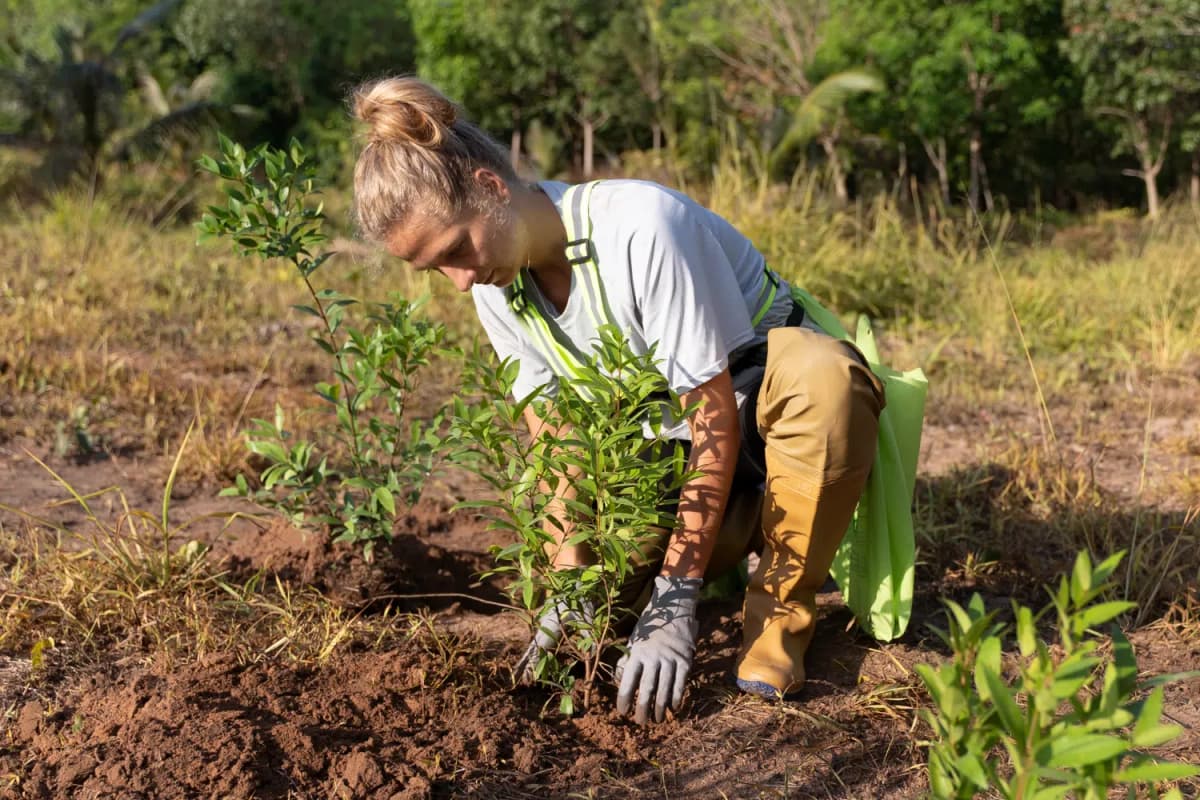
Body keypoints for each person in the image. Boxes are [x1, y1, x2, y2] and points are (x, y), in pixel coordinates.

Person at [351, 77, 885, 726]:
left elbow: (713, 417)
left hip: (769, 432)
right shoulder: (498, 286)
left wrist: (676, 597)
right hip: (681, 460)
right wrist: (573, 583)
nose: (459, 281)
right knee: (602, 592)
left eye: (457, 250)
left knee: (821, 376)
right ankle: (689, 569)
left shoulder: (639, 228)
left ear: (491, 189)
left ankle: (779, 619)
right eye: (437, 268)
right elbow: (553, 441)